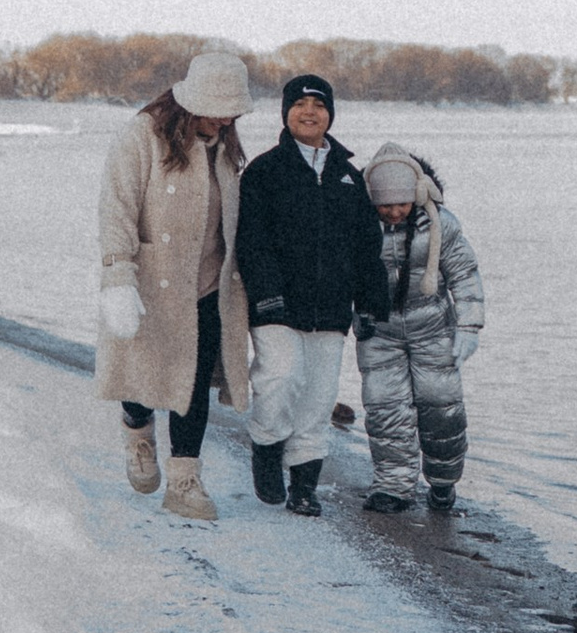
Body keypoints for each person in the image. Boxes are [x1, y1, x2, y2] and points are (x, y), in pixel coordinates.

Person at [94, 47, 254, 522]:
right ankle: (138, 432)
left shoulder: (225, 148)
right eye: (216, 110)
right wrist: (117, 276)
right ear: (189, 101)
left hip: (207, 284)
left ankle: (184, 480)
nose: (224, 120)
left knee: (194, 383)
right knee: (142, 373)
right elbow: (115, 208)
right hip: (151, 279)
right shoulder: (140, 136)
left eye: (231, 112)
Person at [233, 70, 389, 514]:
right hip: (276, 305)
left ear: (330, 115)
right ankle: (265, 447)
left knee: (319, 399)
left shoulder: (347, 176)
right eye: (300, 104)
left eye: (319, 105)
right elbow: (252, 242)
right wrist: (266, 295)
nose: (309, 112)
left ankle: (304, 486)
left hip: (331, 308)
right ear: (286, 114)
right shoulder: (265, 172)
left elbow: (366, 246)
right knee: (280, 378)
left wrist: (371, 303)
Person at [357, 147, 484, 513]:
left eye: (402, 203)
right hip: (379, 332)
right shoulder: (359, 224)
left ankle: (443, 482)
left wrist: (469, 326)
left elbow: (464, 274)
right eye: (386, 205)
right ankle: (393, 486)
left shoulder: (440, 223)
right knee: (385, 409)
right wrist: (354, 311)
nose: (395, 211)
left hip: (432, 329)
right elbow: (341, 273)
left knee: (440, 407)